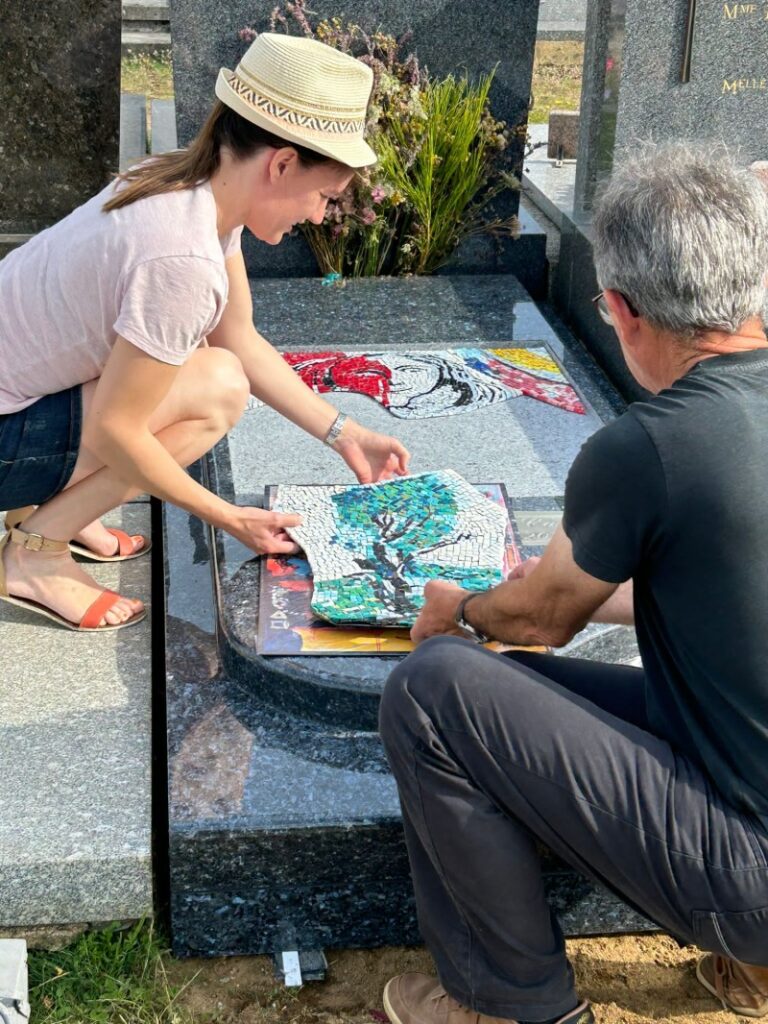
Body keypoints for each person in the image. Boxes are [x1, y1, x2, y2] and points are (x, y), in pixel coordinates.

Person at [379, 144, 768, 1024]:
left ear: (623, 311)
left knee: (435, 692)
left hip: (752, 866)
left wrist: (464, 608)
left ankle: (511, 1006)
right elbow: (715, 585)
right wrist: (566, 589)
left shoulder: (654, 444)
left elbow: (544, 622)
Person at [0, 32, 409, 632]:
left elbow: (238, 337)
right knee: (215, 391)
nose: (319, 216)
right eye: (324, 195)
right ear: (283, 163)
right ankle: (37, 551)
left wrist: (345, 433)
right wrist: (229, 517)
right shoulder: (181, 259)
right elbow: (117, 428)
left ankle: (57, 504)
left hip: (18, 394)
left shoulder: (187, 186)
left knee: (214, 366)